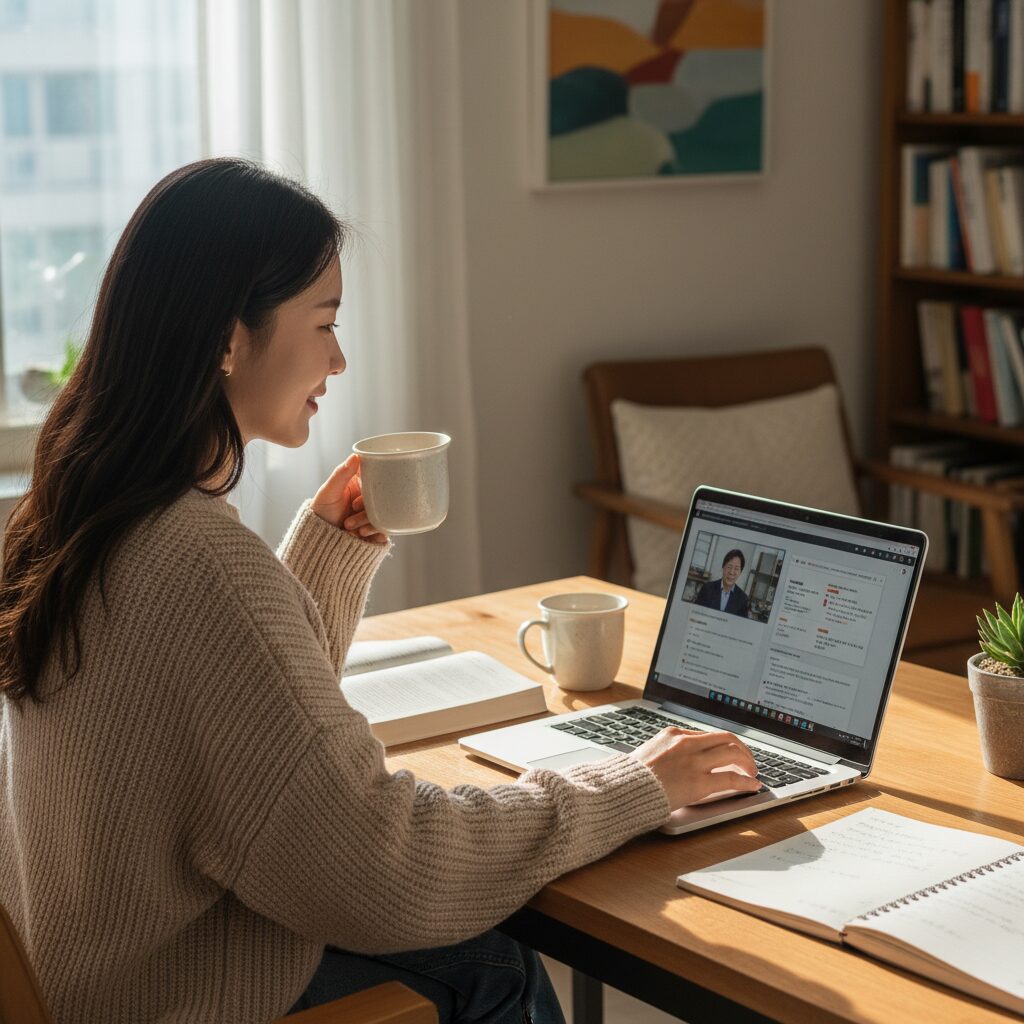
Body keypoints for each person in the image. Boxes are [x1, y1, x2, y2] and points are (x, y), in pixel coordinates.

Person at [0, 158, 760, 1024]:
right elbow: (382, 870)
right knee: (493, 963)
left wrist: (322, 559)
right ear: (225, 337)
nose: (339, 356)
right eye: (322, 322)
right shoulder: (198, 560)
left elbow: (242, 755)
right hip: (176, 994)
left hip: (90, 979)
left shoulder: (77, 511)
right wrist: (632, 785)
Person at [694, 549, 750, 618]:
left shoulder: (743, 599)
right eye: (729, 567)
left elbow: (740, 626)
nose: (732, 572)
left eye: (736, 569)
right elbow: (695, 614)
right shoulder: (707, 588)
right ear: (723, 567)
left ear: (740, 572)